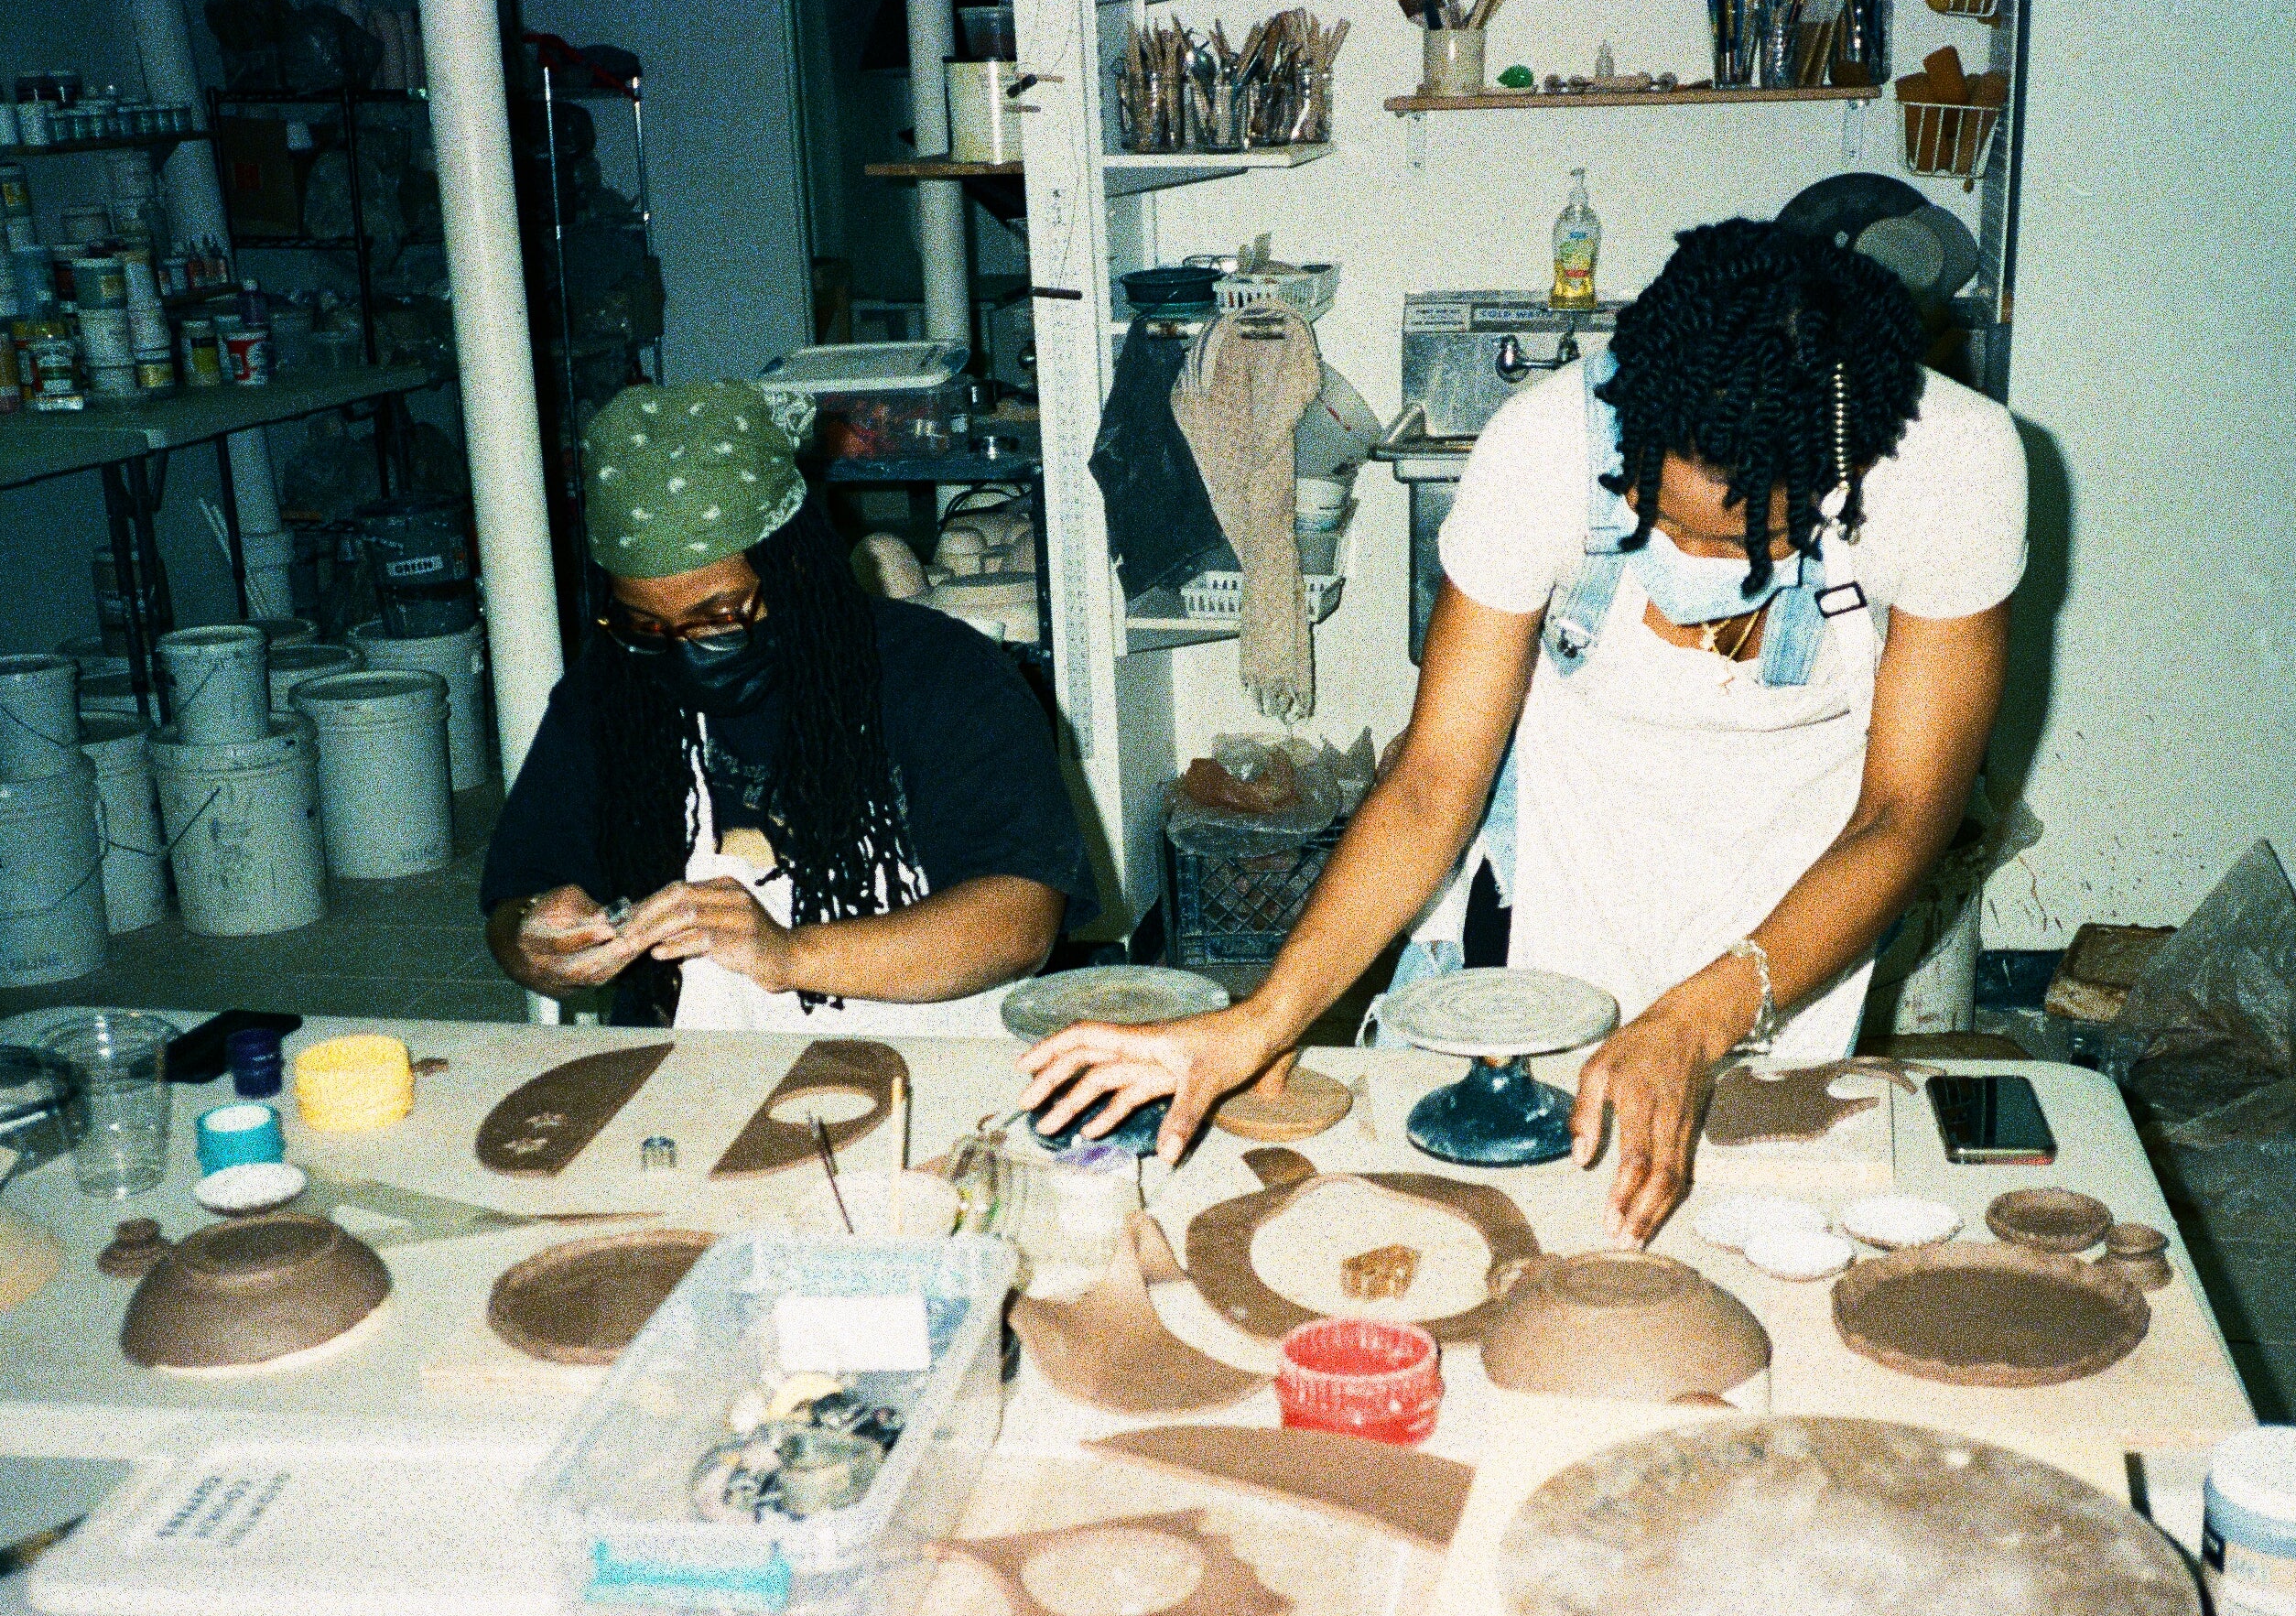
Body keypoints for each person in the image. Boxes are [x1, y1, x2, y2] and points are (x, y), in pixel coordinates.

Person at [1021, 216, 2027, 1239]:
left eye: (1732, 543)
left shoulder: (1951, 467)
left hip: (1807, 871)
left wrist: (1700, 1014)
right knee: (1535, 1198)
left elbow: (1903, 812)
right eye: (1658, 516)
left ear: (1832, 479)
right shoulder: (1547, 445)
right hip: (1573, 843)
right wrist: (1263, 1015)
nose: (1683, 558)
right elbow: (1431, 779)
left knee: (1755, 1194)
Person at [482, 380, 1097, 1033]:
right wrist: (532, 940)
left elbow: (1019, 921)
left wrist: (786, 951)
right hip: (703, 1069)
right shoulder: (610, 690)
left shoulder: (943, 674)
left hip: (929, 1063)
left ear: (795, 569)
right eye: (646, 625)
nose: (684, 652)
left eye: (718, 616)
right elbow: (514, 903)